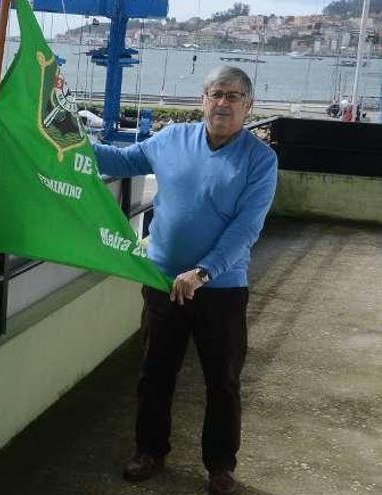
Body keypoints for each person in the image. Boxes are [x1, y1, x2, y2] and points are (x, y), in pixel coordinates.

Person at [93, 66, 278, 495]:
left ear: (248, 107)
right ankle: (149, 450)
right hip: (161, 284)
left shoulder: (260, 160)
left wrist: (204, 271)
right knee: (155, 373)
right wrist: (65, 141)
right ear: (203, 99)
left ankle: (219, 464)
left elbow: (247, 227)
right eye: (217, 93)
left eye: (234, 96)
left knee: (223, 381)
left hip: (221, 289)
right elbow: (123, 160)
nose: (224, 103)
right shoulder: (172, 139)